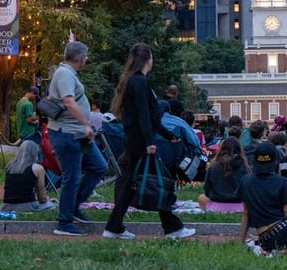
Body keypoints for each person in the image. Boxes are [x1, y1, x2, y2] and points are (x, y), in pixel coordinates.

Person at [103, 43, 195, 240]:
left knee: (131, 182)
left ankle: (114, 226)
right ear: (147, 59)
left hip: (134, 138)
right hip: (141, 140)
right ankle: (172, 227)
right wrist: (150, 141)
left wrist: (167, 134)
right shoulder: (140, 82)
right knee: (158, 179)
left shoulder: (131, 81)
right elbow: (144, 115)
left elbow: (149, 115)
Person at [47, 40, 108, 237]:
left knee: (99, 166)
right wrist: (85, 124)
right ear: (81, 58)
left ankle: (73, 207)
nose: (86, 61)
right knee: (71, 177)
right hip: (68, 132)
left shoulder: (69, 73)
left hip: (77, 133)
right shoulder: (64, 74)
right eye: (86, 58)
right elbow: (68, 101)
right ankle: (64, 222)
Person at [0, 140, 56, 212]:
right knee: (52, 205)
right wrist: (47, 200)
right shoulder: (38, 168)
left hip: (6, 206)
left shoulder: (9, 166)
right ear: (34, 153)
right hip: (27, 205)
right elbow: (42, 198)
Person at [198, 137, 249, 212]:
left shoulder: (214, 166)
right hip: (240, 205)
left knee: (201, 197)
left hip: (217, 204)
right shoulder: (245, 166)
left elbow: (207, 189)